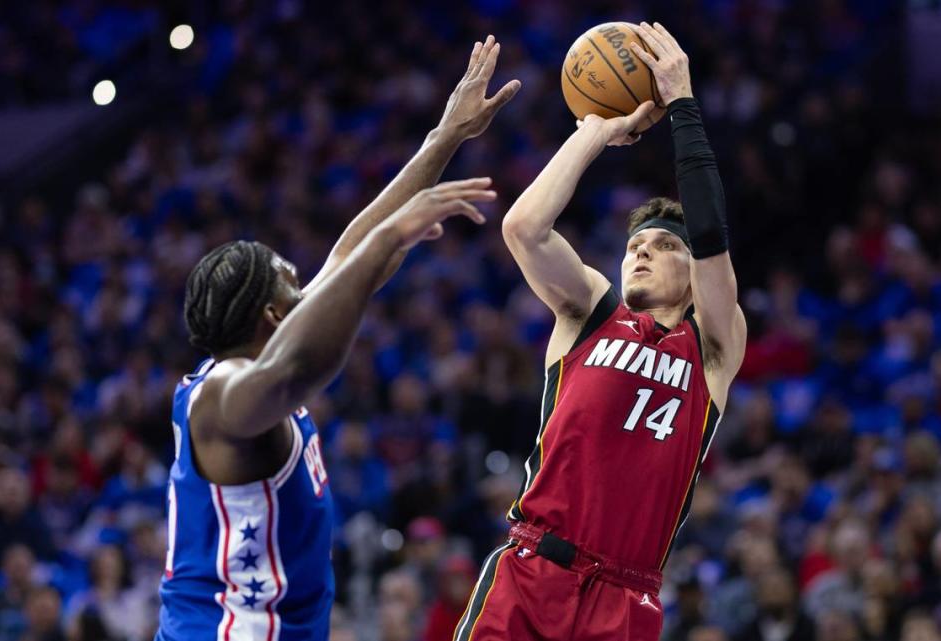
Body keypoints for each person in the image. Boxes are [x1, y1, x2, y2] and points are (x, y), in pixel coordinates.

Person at [156, 36, 520, 641]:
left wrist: (445, 137)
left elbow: (351, 257)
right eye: (294, 284)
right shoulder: (223, 396)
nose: (310, 288)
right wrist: (388, 240)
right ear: (273, 315)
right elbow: (297, 367)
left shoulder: (241, 365)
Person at [456, 23, 746, 641]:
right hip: (532, 569)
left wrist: (684, 107)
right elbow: (524, 229)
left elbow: (714, 238)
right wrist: (595, 134)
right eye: (634, 245)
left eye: (664, 245)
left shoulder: (713, 349)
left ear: (693, 274)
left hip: (626, 595)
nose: (641, 253)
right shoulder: (590, 312)